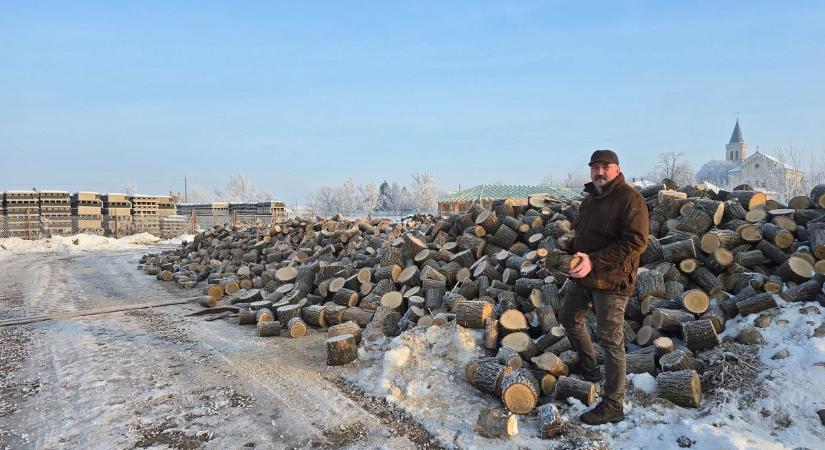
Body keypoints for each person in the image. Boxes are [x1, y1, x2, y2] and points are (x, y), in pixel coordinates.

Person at [557, 149, 649, 425]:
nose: (599, 172)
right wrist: (569, 249)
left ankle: (613, 405)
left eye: (605, 167)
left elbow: (636, 242)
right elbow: (587, 236)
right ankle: (590, 369)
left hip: (612, 279)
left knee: (610, 341)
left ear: (617, 169)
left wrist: (594, 261)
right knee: (568, 318)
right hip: (585, 274)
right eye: (595, 167)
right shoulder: (591, 200)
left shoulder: (630, 199)